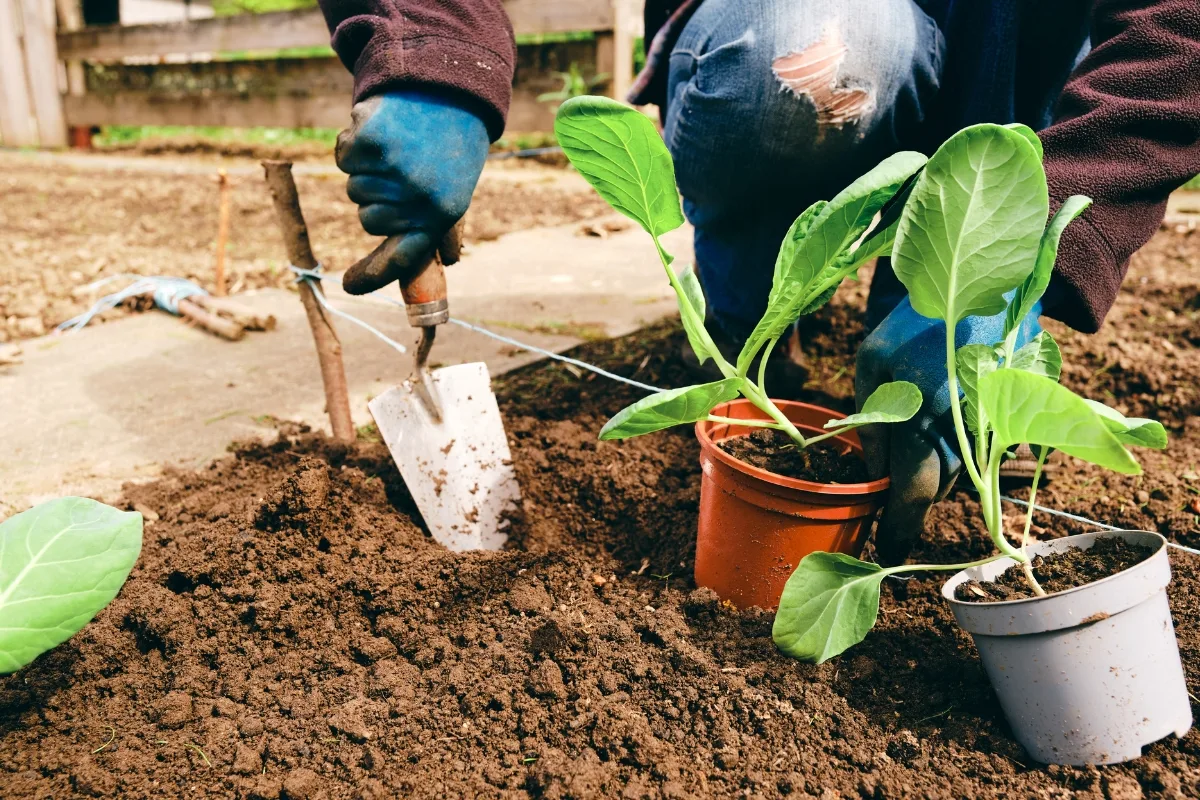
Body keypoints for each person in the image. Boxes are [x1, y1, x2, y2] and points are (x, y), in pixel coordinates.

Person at [317, 0, 1200, 562]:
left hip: (1023, 65)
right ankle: (748, 340)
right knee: (812, 52)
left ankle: (941, 378)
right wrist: (432, 48)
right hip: (804, 35)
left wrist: (1018, 261)